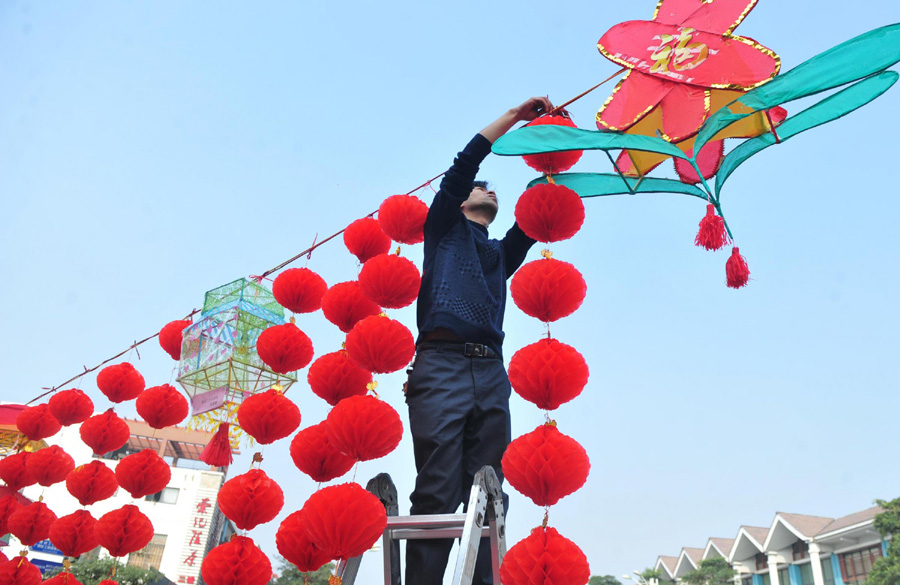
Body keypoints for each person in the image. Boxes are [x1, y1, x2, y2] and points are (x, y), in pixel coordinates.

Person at [404, 97, 554, 585]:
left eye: (493, 189)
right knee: (438, 487)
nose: (490, 189)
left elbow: (537, 218)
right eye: (480, 187)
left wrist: (555, 155)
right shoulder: (443, 229)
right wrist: (516, 117)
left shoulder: (497, 254)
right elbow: (465, 162)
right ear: (460, 200)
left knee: (490, 491)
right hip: (441, 365)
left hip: (491, 370)